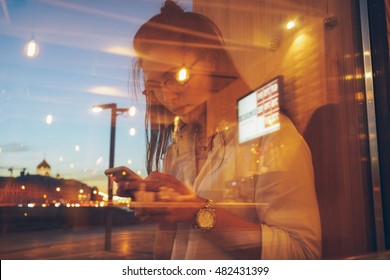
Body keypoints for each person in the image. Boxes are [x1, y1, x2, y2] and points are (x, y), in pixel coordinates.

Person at [117, 0, 321, 260]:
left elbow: (302, 254)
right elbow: (167, 256)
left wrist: (195, 210)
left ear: (212, 61)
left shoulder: (271, 135)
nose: (167, 96)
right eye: (155, 86)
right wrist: (164, 213)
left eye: (179, 76)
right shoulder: (177, 152)